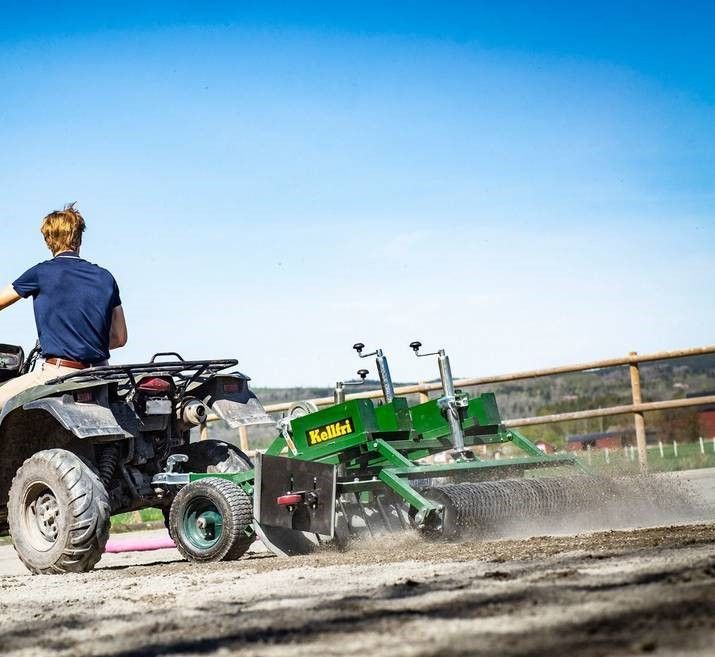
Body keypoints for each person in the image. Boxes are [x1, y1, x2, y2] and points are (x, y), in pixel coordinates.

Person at [0, 204, 127, 409]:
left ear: (49, 240)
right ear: (79, 238)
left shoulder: (40, 273)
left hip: (58, 374)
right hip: (101, 376)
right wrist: (86, 342)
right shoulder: (106, 277)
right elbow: (120, 338)